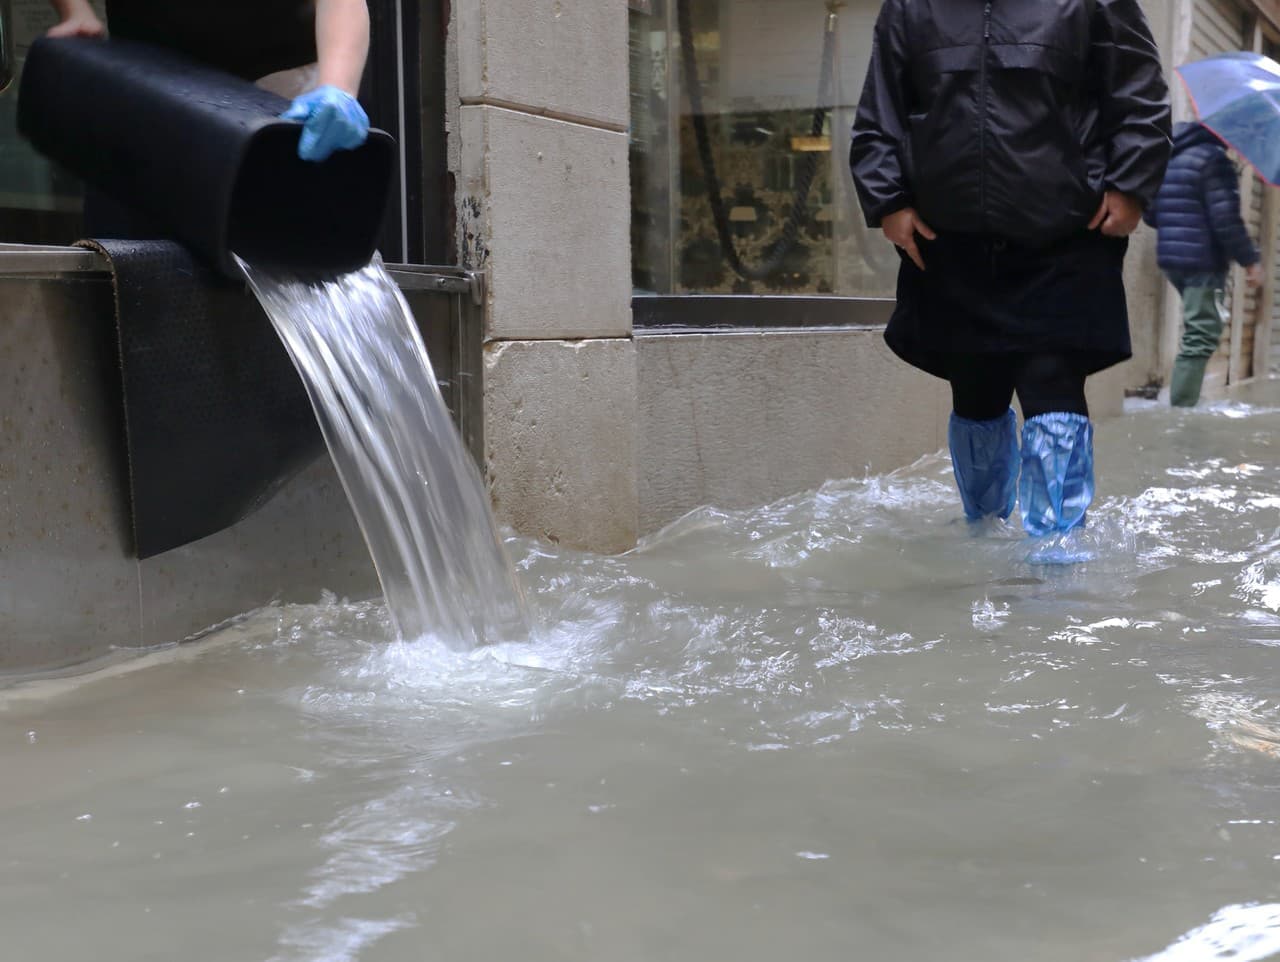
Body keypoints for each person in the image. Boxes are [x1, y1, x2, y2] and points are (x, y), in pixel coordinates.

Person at [849, 0, 1172, 561]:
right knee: (975, 396)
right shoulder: (910, 7)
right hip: (948, 243)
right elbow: (882, 110)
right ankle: (982, 537)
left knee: (1052, 387)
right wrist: (888, 200)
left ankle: (1058, 554)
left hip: (1064, 236)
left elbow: (1138, 94)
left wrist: (1131, 185)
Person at [45, 0, 370, 162]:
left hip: (283, 83)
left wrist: (337, 88)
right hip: (149, 83)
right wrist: (74, 11)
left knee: (300, 237)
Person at [1143, 121, 1263, 408]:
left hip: (1173, 260)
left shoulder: (1175, 157)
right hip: (1202, 261)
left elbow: (1150, 213)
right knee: (1201, 333)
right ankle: (1182, 411)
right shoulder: (1214, 160)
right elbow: (1226, 220)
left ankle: (1184, 398)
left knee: (1198, 328)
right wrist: (1250, 261)